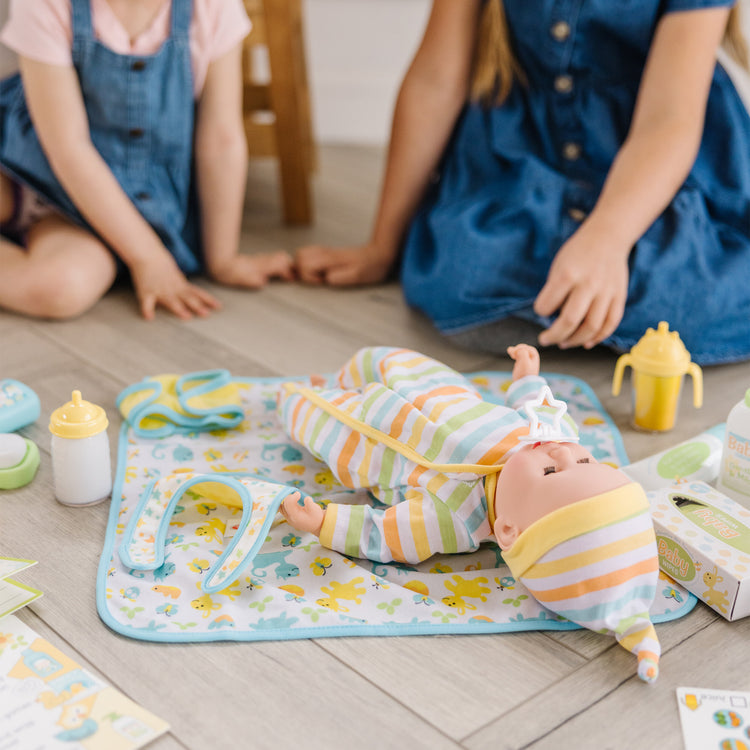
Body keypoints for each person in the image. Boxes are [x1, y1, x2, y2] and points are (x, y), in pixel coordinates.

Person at [294, 1, 750, 365]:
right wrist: (381, 247)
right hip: (522, 157)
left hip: (655, 164)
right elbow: (435, 81)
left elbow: (667, 120)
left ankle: (583, 301)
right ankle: (586, 313)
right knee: (464, 272)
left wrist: (606, 239)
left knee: (694, 298)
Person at [278, 344, 662, 682]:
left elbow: (386, 536)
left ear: (509, 530)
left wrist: (326, 523)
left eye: (551, 472)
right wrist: (527, 380)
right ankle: (340, 380)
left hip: (371, 438)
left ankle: (310, 395)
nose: (561, 452)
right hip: (442, 396)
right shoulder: (551, 438)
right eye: (584, 458)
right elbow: (537, 410)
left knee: (312, 416)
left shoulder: (456, 518)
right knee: (383, 358)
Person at [0, 0, 294, 321]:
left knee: (60, 288)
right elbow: (68, 148)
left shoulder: (211, 7)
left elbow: (221, 140)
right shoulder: (47, 5)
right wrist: (149, 260)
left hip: (87, 215)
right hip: (24, 167)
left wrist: (222, 260)